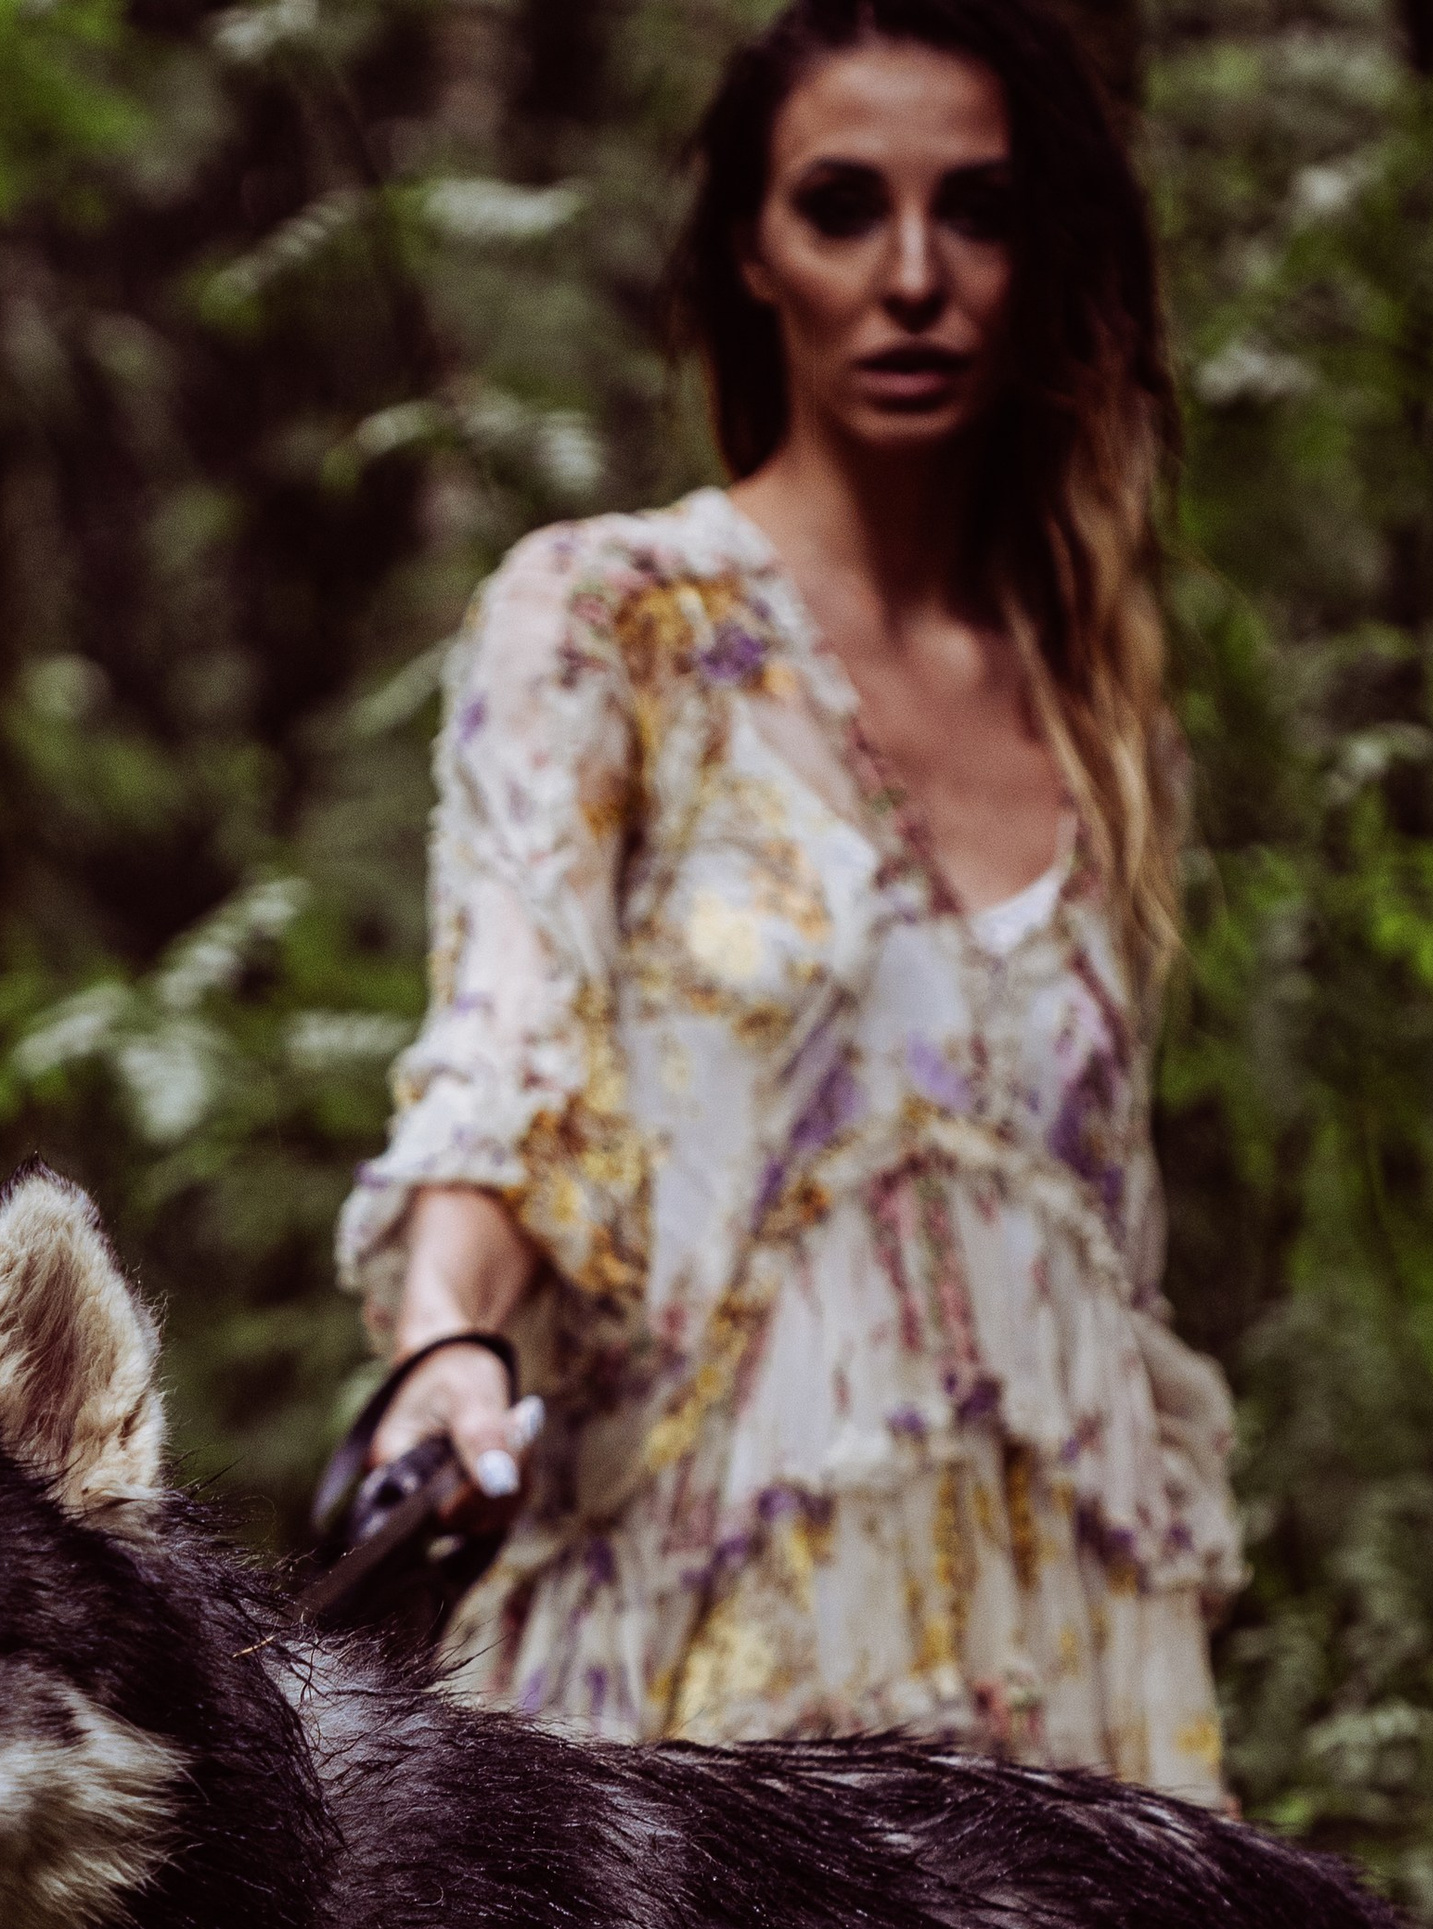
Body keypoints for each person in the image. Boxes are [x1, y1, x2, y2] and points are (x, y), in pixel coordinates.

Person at [335, 0, 1242, 1794]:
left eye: (973, 211)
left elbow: (1101, 1264)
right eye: (844, 208)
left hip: (1064, 1699)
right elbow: (508, 1061)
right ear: (755, 252)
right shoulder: (611, 621)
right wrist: (445, 1338)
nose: (914, 276)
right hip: (705, 1684)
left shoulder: (1097, 704)